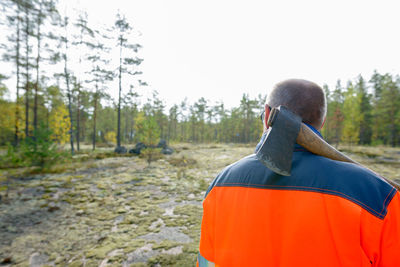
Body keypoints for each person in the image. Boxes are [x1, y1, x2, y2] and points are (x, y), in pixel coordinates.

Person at [197, 79, 400, 267]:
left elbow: (207, 262)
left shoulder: (221, 184)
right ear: (322, 121)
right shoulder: (379, 197)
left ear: (267, 115)